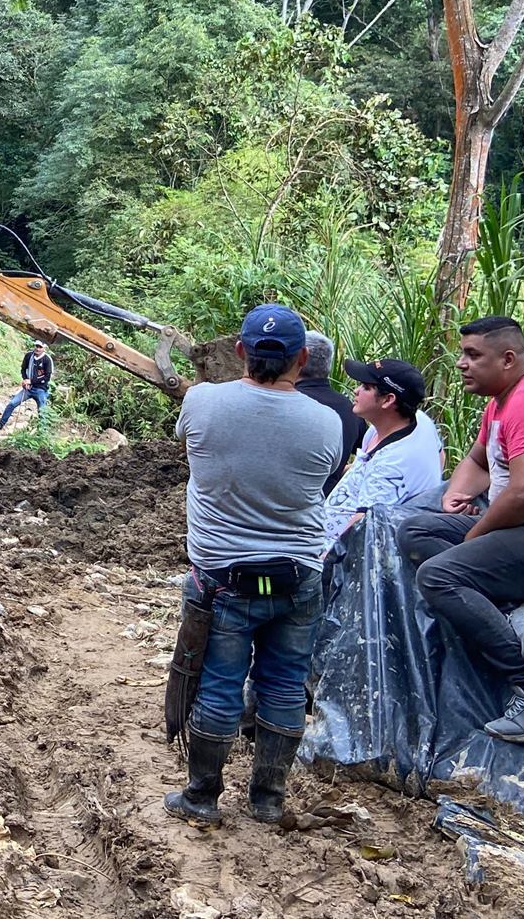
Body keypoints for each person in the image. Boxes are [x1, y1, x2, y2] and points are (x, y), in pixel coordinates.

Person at [164, 304, 342, 826]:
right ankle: (267, 800)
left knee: (219, 683)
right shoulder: (327, 421)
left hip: (222, 578)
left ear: (240, 350)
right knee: (285, 685)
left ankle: (202, 798)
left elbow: (189, 447)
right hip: (297, 574)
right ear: (302, 359)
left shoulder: (201, 401)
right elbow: (322, 478)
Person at [397, 316, 524, 742]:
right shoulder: (500, 402)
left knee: (439, 575)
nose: (462, 364)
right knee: (416, 533)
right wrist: (456, 496)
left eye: (472, 355)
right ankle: (519, 617)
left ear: (507, 359)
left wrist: (475, 535)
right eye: (462, 353)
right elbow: (478, 461)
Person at [322, 357, 444, 548]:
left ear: (388, 400)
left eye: (366, 387)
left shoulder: (392, 464)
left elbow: (363, 526)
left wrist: (324, 559)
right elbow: (440, 454)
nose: (356, 391)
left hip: (335, 553)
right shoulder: (419, 421)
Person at [299, 331, 364, 493]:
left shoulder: (287, 403)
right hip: (328, 503)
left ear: (299, 358)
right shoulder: (350, 409)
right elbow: (373, 455)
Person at [0, 340, 53, 430]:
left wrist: (31, 381)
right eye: (36, 346)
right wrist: (25, 380)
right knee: (12, 403)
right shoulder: (29, 356)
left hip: (41, 390)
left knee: (42, 411)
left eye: (40, 347)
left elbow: (47, 377)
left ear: (44, 348)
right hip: (28, 388)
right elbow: (23, 369)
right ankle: (0, 424)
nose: (37, 349)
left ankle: (43, 431)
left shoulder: (47, 360)